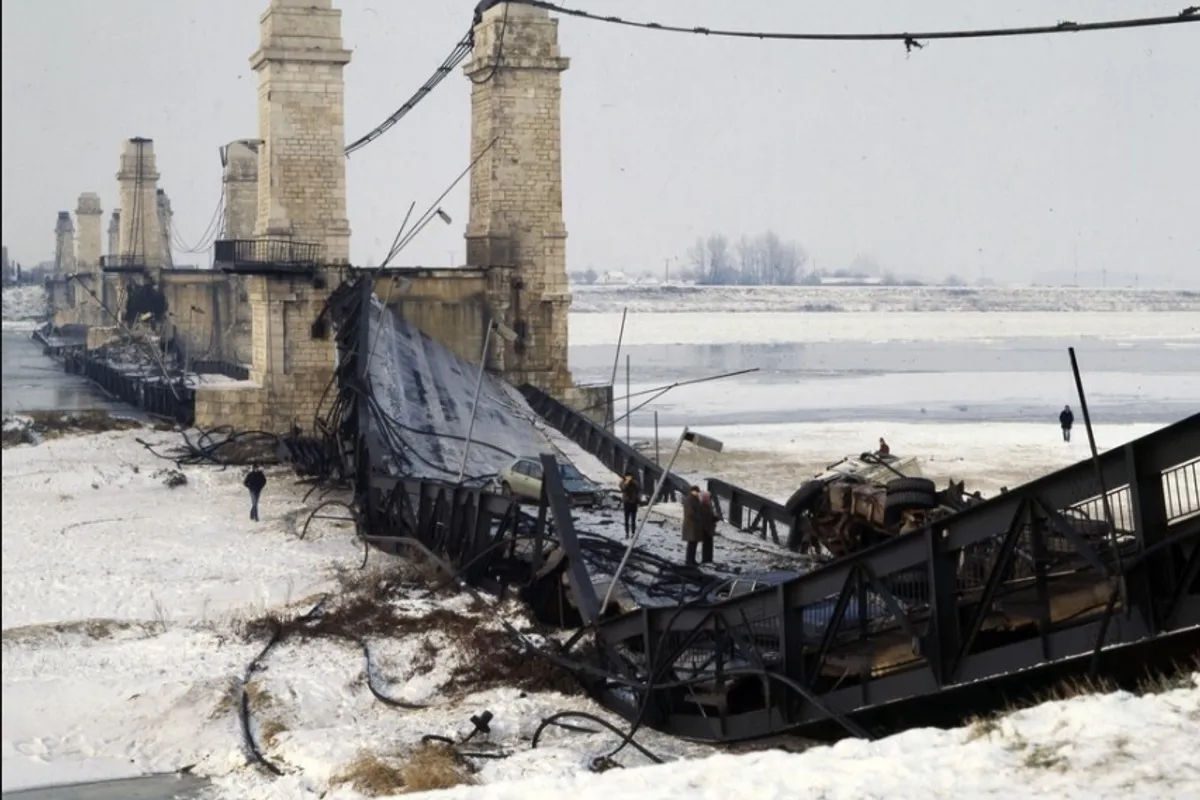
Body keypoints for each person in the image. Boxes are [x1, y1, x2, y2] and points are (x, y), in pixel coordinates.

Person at [681, 485, 703, 566]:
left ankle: (692, 560)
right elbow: (690, 513)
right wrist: (698, 517)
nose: (697, 493)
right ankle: (689, 560)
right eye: (696, 491)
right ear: (692, 491)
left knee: (694, 544)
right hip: (691, 525)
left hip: (694, 526)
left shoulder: (695, 499)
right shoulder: (689, 500)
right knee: (691, 544)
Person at [620, 472, 641, 538]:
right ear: (625, 477)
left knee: (633, 520)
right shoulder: (622, 482)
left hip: (633, 503)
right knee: (626, 519)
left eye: (630, 476)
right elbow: (623, 489)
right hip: (627, 503)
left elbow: (638, 490)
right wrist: (626, 482)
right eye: (627, 476)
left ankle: (633, 533)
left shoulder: (635, 483)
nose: (629, 478)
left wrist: (638, 500)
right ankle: (627, 533)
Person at [699, 490, 717, 564]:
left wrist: (714, 518)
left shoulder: (707, 505)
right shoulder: (704, 506)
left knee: (709, 544)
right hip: (706, 528)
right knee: (707, 545)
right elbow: (706, 517)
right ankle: (706, 559)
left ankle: (708, 559)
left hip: (708, 527)